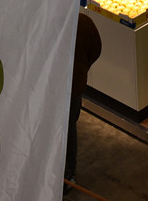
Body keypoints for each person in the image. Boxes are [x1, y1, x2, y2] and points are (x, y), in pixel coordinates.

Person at [66, 12, 103, 189]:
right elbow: (96, 49)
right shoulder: (82, 21)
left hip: (60, 89)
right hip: (73, 87)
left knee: (65, 130)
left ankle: (66, 174)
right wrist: (82, 70)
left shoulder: (45, 24)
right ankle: (68, 175)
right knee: (69, 129)